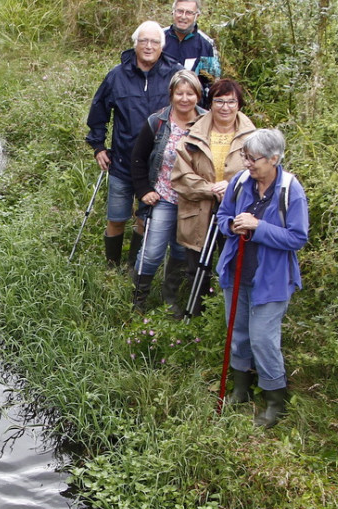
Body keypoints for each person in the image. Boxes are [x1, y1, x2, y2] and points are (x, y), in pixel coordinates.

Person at [215, 128, 308, 427]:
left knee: (264, 340)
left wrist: (258, 227)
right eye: (245, 157)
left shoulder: (290, 190)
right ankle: (241, 390)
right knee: (238, 333)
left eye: (253, 159)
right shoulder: (241, 183)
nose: (247, 164)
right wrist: (232, 226)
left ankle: (274, 403)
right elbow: (222, 217)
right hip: (237, 270)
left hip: (272, 279)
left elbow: (297, 237)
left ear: (274, 159)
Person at [87, 21, 184, 269]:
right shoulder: (117, 75)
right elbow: (98, 112)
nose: (148, 46)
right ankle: (112, 267)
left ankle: (133, 268)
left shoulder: (175, 75)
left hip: (157, 167)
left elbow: (191, 109)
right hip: (121, 161)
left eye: (154, 42)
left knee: (144, 220)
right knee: (116, 218)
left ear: (162, 46)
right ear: (135, 44)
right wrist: (98, 146)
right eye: (143, 41)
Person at [171, 78, 256, 316]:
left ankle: (226, 317)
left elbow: (260, 174)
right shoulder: (193, 134)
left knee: (232, 267)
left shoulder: (253, 137)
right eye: (219, 101)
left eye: (231, 101)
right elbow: (181, 176)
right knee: (197, 267)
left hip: (236, 212)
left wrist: (231, 187)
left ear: (239, 104)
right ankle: (196, 317)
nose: (225, 107)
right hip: (198, 211)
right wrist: (209, 188)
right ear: (210, 103)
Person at [129, 69, 207, 315]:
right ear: (171, 94)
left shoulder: (207, 123)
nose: (185, 99)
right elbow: (138, 159)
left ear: (198, 95)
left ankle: (169, 298)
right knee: (152, 252)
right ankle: (138, 299)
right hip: (163, 197)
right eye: (180, 93)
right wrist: (143, 190)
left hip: (193, 201)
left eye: (190, 93)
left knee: (181, 251)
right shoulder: (158, 122)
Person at [163, 0, 221, 105]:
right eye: (180, 11)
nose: (183, 17)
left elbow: (211, 84)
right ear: (173, 12)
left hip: (192, 109)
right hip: (160, 108)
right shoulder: (158, 38)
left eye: (189, 13)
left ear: (197, 16)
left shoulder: (205, 45)